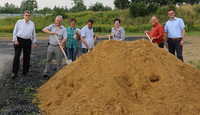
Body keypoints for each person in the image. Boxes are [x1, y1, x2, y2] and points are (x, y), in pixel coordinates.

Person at [11, 10, 37, 78]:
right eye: (26, 15)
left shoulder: (32, 23)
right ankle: (14, 72)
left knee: (27, 57)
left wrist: (34, 42)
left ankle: (25, 72)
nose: (27, 16)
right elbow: (15, 31)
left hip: (28, 41)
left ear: (30, 16)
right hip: (19, 40)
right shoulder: (19, 22)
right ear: (24, 16)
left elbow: (34, 33)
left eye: (29, 15)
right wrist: (15, 39)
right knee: (17, 56)